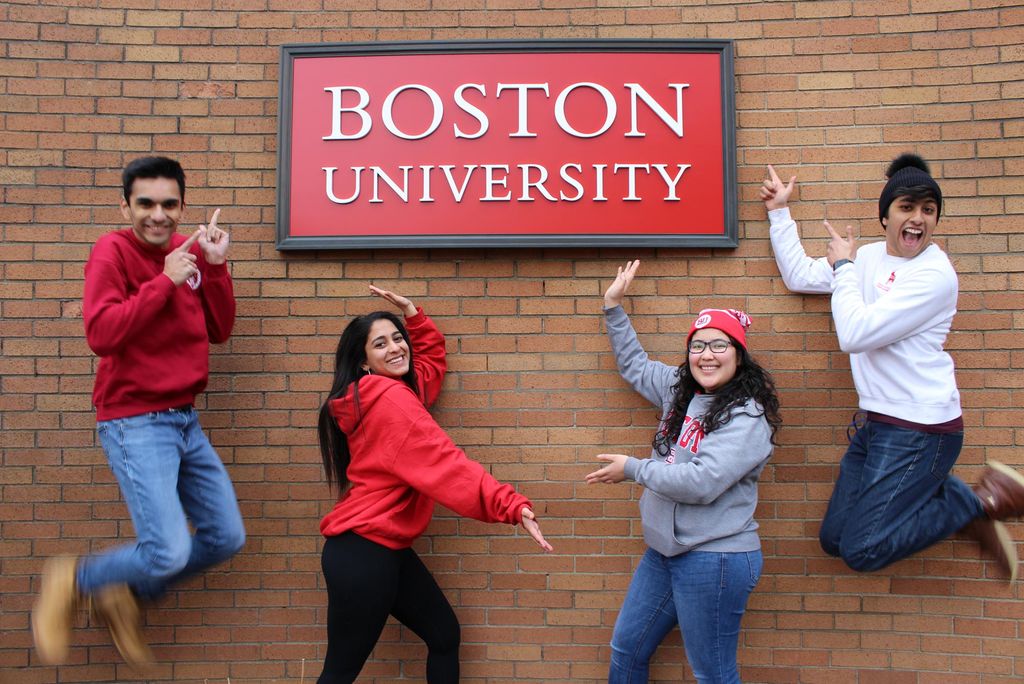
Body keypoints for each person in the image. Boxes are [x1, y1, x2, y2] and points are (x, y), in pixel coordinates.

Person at [761, 152, 1024, 580]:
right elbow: (800, 276)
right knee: (835, 539)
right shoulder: (866, 259)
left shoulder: (934, 276)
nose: (918, 218)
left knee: (862, 550)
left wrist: (844, 267)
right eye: (907, 207)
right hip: (880, 424)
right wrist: (779, 212)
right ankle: (958, 505)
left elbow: (855, 334)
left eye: (928, 209)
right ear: (885, 216)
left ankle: (977, 502)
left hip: (921, 429)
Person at [32, 156, 246, 666]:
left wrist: (214, 268)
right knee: (168, 550)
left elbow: (219, 330)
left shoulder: (187, 252)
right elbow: (101, 334)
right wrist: (164, 282)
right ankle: (77, 578)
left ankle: (122, 591)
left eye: (169, 204)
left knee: (225, 536)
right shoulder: (112, 251)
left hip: (183, 420)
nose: (158, 215)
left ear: (182, 206)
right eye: (146, 203)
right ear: (126, 205)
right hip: (134, 420)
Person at [316, 285, 552, 684]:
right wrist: (509, 505)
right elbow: (448, 466)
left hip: (377, 549)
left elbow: (427, 368)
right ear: (364, 362)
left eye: (397, 338)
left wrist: (413, 316)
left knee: (443, 634)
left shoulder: (379, 395)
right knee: (339, 674)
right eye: (380, 344)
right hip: (365, 557)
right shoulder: (392, 404)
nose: (396, 348)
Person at [587, 260, 781, 684]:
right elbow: (635, 367)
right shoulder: (680, 390)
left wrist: (633, 469)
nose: (706, 355)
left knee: (712, 674)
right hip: (665, 552)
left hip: (716, 558)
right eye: (698, 345)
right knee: (627, 649)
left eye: (719, 345)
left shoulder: (748, 416)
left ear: (738, 355)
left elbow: (701, 482)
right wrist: (613, 307)